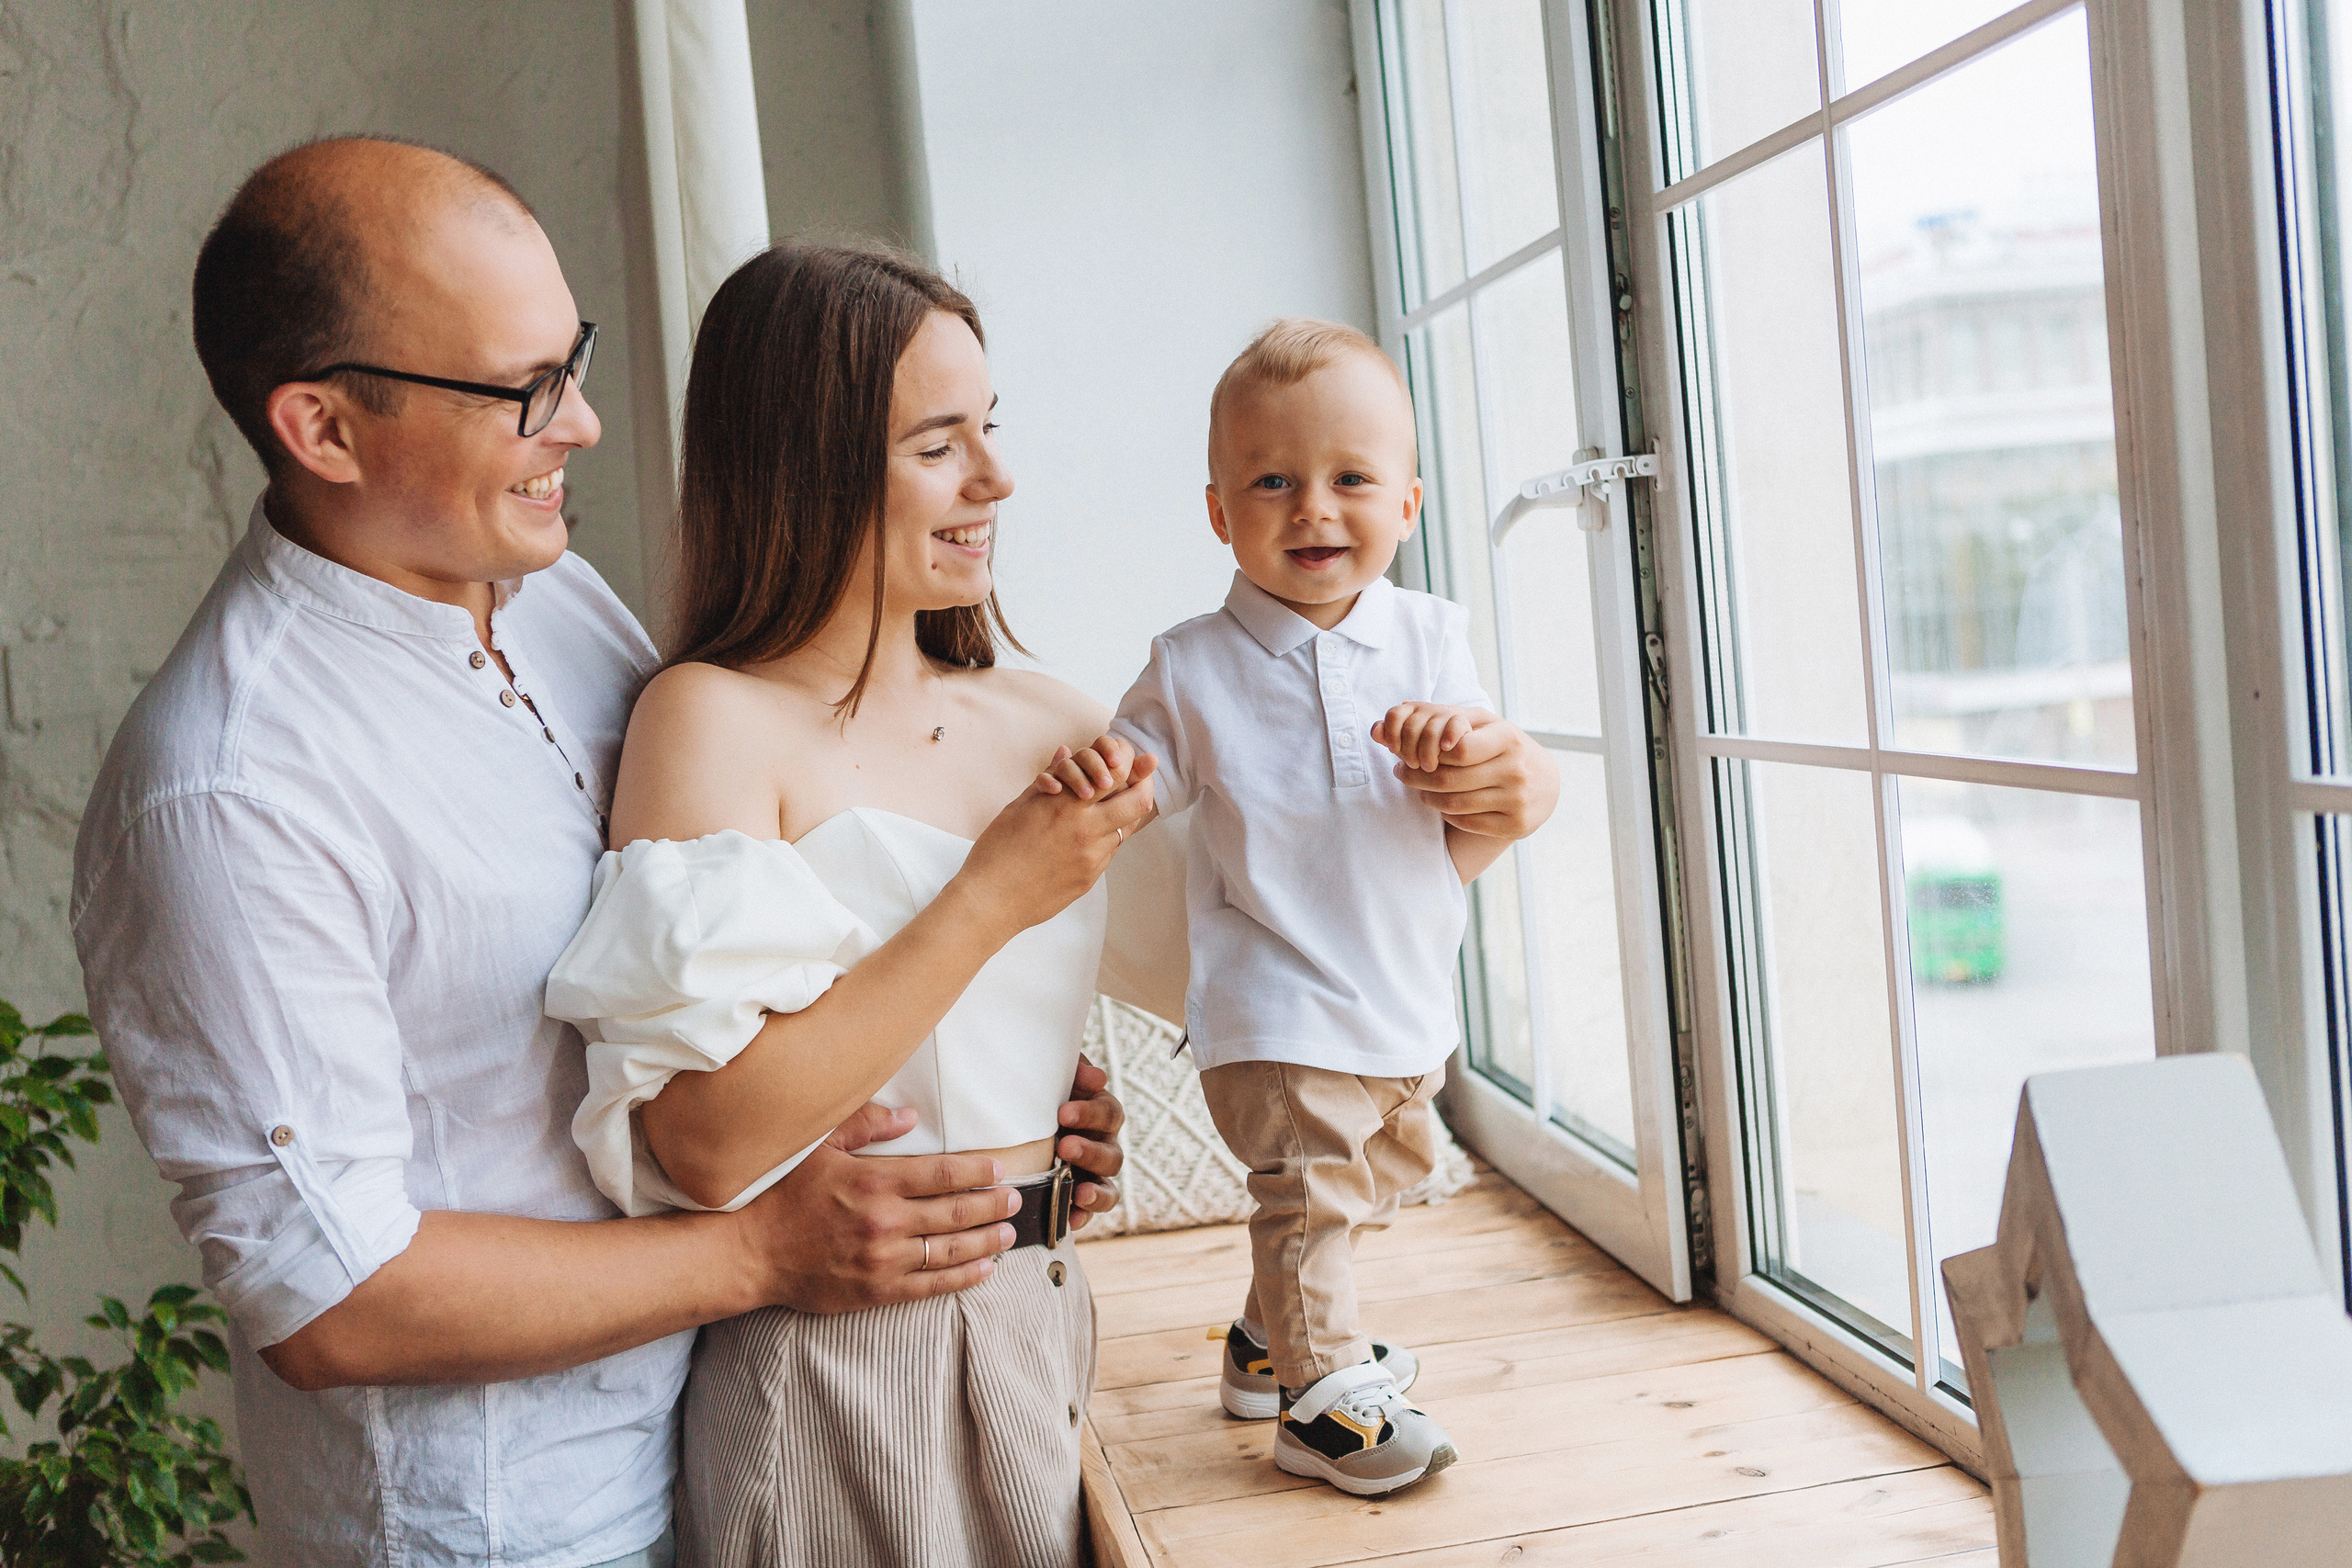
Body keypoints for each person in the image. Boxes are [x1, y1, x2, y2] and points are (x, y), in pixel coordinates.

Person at [68, 138, 1128, 1568]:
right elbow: (334, 1299)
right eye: (524, 390)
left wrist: (986, 1104)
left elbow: (711, 975)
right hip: (500, 1525)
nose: (587, 424)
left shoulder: (556, 602)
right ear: (324, 429)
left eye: (573, 359)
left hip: (724, 1430)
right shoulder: (229, 784)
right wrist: (765, 1250)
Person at [542, 243, 1159, 1568]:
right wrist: (993, 895)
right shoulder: (709, 719)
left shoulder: (1051, 714)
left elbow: (1244, 955)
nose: (996, 478)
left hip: (1045, 1317)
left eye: (989, 429)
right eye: (940, 443)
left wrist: (1470, 821)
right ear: (808, 464)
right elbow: (703, 1142)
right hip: (837, 1366)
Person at [1102, 318, 1559, 1498]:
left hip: (1399, 989)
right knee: (1307, 1190)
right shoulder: (1193, 664)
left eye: (1349, 480)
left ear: (1406, 504)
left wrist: (1464, 750)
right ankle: (1319, 1398)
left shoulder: (1430, 635)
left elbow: (1484, 777)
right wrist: (1103, 774)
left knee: (1378, 1168)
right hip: (1275, 1001)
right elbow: (1133, 768)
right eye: (1273, 481)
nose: (1313, 509)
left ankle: (1266, 1344)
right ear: (1219, 513)